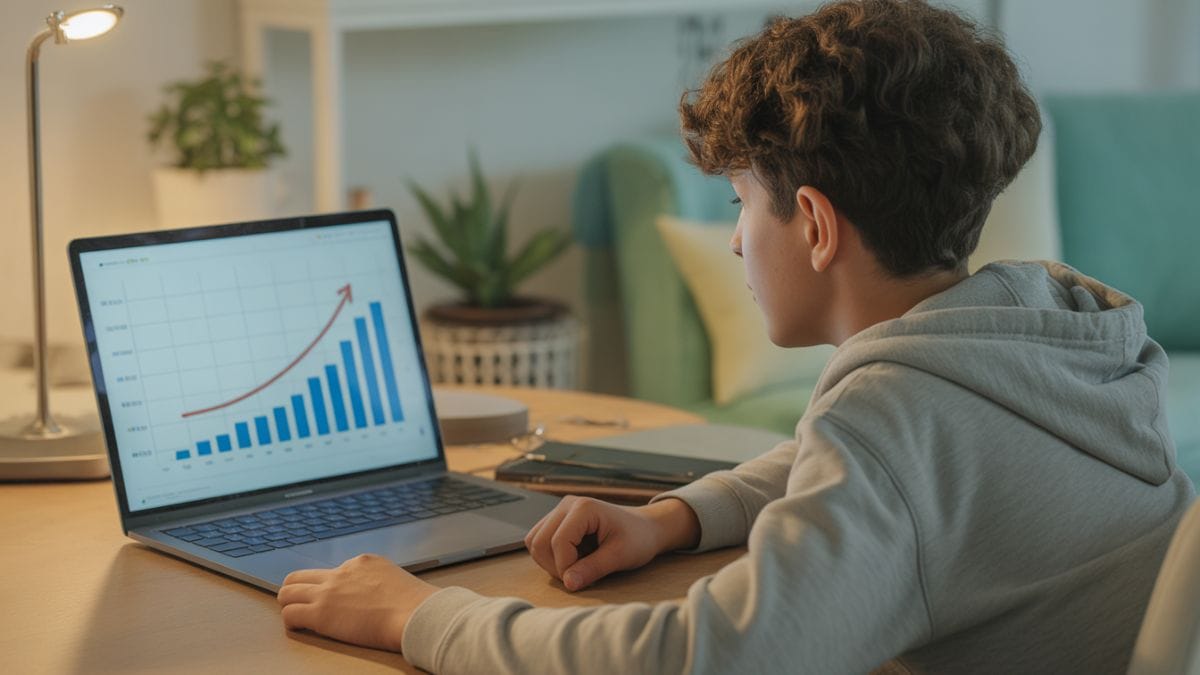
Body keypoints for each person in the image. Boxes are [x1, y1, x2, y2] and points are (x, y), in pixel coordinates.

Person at [275, 1, 1195, 672]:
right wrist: (675, 516)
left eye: (739, 204)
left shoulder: (896, 412)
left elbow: (703, 657)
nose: (733, 239)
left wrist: (421, 616)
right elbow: (845, 468)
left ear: (816, 224)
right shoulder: (1055, 331)